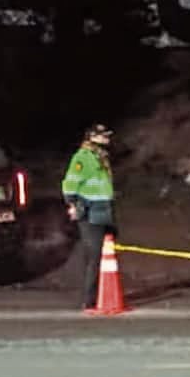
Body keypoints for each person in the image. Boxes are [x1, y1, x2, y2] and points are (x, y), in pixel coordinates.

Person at [61, 122, 117, 311]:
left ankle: (102, 294)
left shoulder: (100, 157)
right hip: (89, 211)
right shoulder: (83, 157)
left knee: (104, 254)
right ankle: (89, 299)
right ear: (92, 137)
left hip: (104, 210)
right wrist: (72, 204)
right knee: (93, 255)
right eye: (103, 136)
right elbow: (70, 183)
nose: (107, 139)